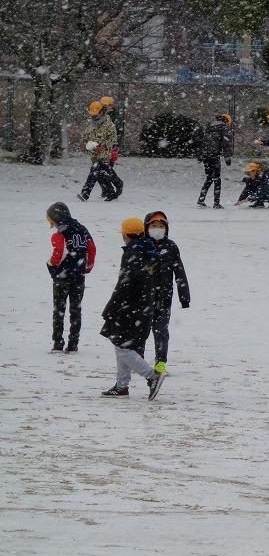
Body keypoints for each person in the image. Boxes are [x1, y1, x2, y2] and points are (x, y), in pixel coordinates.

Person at [100, 217, 165, 400]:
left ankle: (152, 376)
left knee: (122, 346)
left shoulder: (133, 252)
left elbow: (126, 283)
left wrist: (112, 306)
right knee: (122, 343)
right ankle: (122, 385)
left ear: (125, 236)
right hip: (143, 306)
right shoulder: (148, 250)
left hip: (129, 307)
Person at [45, 202, 96, 352]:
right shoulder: (82, 229)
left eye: (52, 222)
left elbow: (58, 252)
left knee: (59, 310)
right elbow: (92, 248)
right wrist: (88, 266)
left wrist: (52, 266)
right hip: (79, 276)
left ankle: (58, 343)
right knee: (76, 310)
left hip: (62, 277)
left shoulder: (59, 234)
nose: (52, 225)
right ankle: (73, 343)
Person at [144, 211, 190, 374]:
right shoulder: (141, 245)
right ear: (147, 227)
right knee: (141, 330)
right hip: (142, 297)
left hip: (164, 297)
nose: (158, 229)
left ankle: (160, 362)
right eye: (154, 226)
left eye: (161, 226)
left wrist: (184, 296)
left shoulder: (171, 246)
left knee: (161, 330)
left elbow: (179, 272)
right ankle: (137, 360)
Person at [78, 101, 123, 201]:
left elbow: (113, 139)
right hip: (93, 153)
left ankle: (85, 193)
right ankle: (114, 188)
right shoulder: (89, 124)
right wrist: (85, 142)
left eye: (96, 114)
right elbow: (84, 135)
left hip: (105, 153)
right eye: (92, 115)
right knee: (103, 172)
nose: (93, 117)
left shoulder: (109, 125)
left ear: (102, 112)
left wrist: (103, 145)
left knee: (95, 171)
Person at [197, 113, 234, 209]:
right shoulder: (224, 128)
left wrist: (200, 155)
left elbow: (202, 141)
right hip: (214, 156)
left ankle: (201, 199)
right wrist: (227, 158)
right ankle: (216, 203)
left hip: (205, 156)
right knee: (217, 179)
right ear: (226, 121)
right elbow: (227, 144)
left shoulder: (209, 127)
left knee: (209, 178)